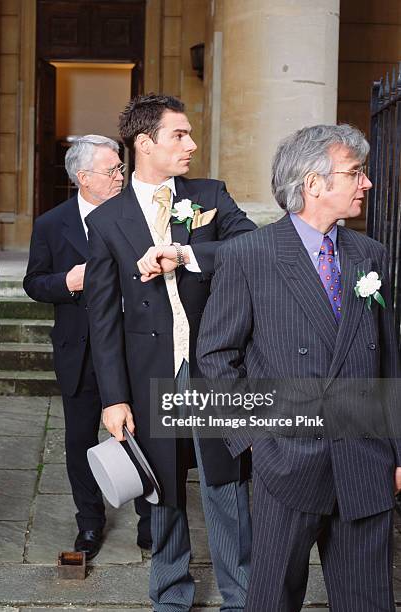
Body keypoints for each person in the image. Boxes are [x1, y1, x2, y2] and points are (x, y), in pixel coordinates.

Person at [196, 123, 401, 611]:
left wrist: (397, 449)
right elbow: (215, 355)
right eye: (356, 173)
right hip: (286, 461)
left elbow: (389, 360)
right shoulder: (251, 254)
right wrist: (256, 440)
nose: (366, 183)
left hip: (365, 459)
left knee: (368, 601)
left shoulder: (369, 255)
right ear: (314, 184)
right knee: (272, 599)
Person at [84, 94, 255, 610]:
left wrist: (186, 253)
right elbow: (102, 317)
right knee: (161, 490)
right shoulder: (108, 219)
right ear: (145, 143)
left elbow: (254, 247)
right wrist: (114, 398)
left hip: (212, 367)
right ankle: (169, 594)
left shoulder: (209, 195)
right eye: (179, 135)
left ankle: (242, 596)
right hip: (148, 373)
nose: (191, 144)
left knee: (227, 486)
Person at [24, 135, 152, 560]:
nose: (121, 176)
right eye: (113, 170)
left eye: (120, 168)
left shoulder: (141, 213)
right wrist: (67, 282)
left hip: (134, 347)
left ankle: (150, 524)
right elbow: (33, 282)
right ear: (84, 178)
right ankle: (90, 524)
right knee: (80, 441)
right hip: (79, 350)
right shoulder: (50, 224)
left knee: (143, 435)